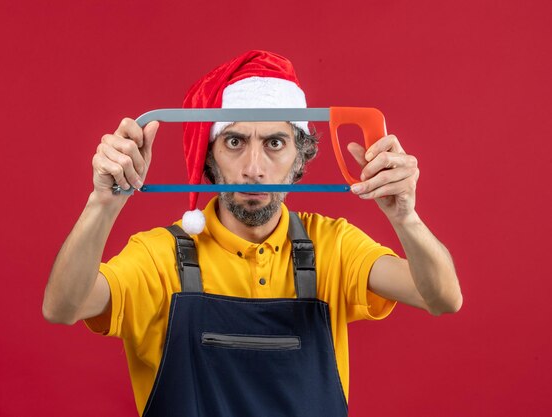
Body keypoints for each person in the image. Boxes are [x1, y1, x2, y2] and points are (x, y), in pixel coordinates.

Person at [42, 50, 462, 417]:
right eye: (236, 141)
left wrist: (405, 218)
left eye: (275, 143)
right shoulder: (160, 256)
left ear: (300, 154)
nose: (254, 168)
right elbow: (63, 307)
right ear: (208, 155)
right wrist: (103, 204)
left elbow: (441, 297)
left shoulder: (332, 246)